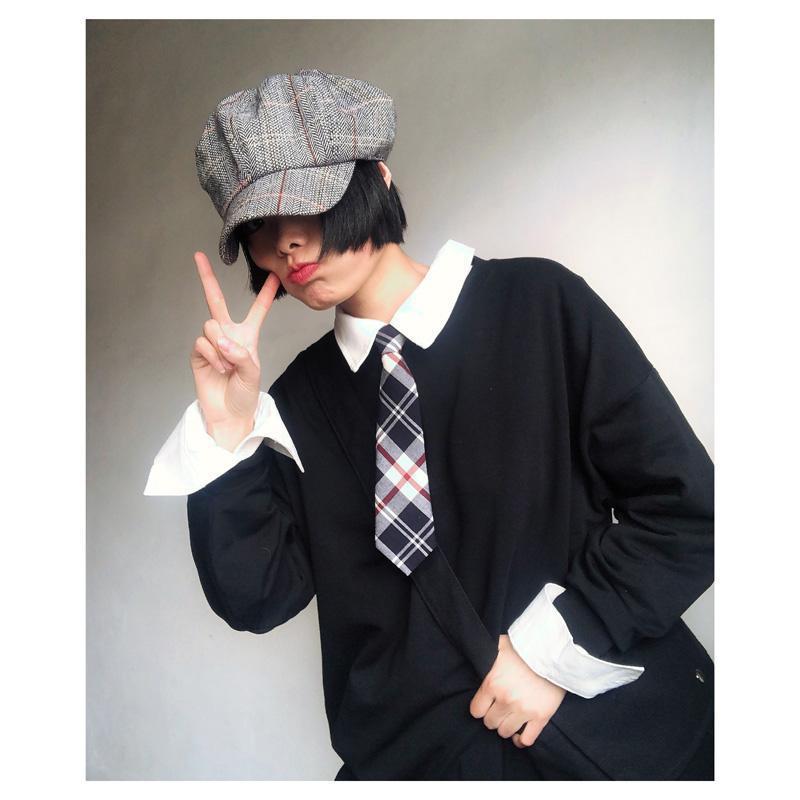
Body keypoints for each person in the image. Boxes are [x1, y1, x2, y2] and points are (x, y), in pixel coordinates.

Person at [144, 69, 714, 780]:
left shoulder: (538, 306)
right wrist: (228, 433)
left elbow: (689, 508)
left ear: (378, 180)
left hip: (624, 746)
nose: (286, 242)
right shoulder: (289, 405)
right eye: (258, 227)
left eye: (310, 202)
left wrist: (556, 647)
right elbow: (256, 599)